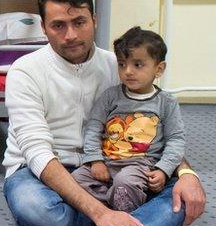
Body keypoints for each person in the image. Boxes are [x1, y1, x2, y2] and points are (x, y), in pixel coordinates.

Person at [3, 0, 205, 226]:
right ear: (44, 28)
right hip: (39, 171)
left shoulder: (121, 67)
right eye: (58, 25)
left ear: (94, 19)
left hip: (117, 167)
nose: (71, 34)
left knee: (182, 199)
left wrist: (188, 174)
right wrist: (102, 213)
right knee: (36, 209)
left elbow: (156, 129)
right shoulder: (24, 72)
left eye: (80, 22)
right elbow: (38, 154)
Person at [70, 27, 185, 212]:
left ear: (159, 69)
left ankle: (121, 204)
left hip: (141, 165)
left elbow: (176, 140)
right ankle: (113, 201)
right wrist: (95, 159)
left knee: (125, 182)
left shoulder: (166, 102)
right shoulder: (110, 96)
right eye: (122, 64)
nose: (128, 71)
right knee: (74, 181)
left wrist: (164, 169)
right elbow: (93, 128)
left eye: (138, 65)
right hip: (107, 162)